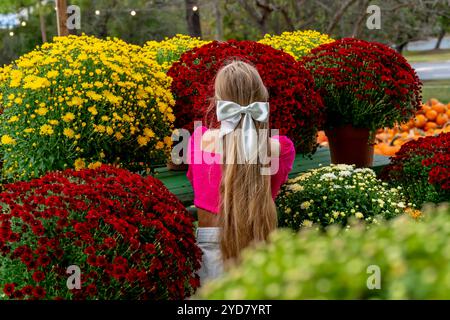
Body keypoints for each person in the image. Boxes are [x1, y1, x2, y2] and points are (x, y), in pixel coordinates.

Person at [186, 60, 295, 283]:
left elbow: (194, 181)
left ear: (217, 103)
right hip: (260, 242)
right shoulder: (281, 149)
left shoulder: (199, 141)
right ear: (261, 102)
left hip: (211, 252)